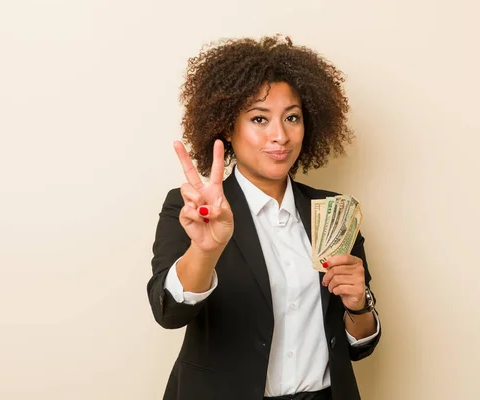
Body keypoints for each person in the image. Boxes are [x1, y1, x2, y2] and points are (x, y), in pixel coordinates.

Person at [147, 35, 381, 400]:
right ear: (227, 127)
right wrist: (205, 251)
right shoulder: (190, 207)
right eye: (259, 119)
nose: (280, 136)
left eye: (292, 118)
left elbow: (358, 345)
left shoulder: (333, 211)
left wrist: (358, 304)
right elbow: (169, 314)